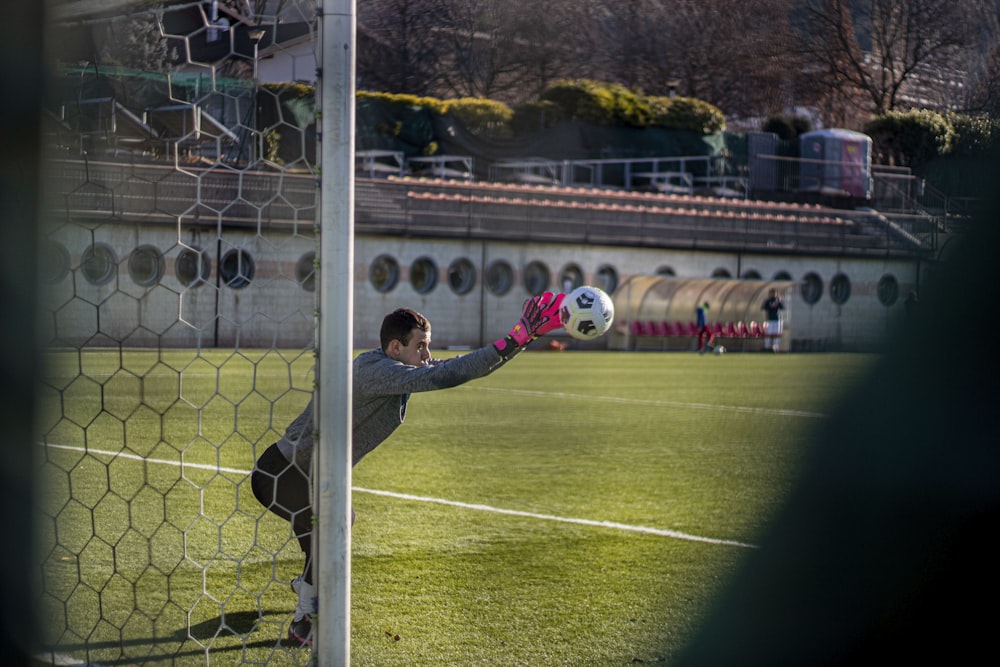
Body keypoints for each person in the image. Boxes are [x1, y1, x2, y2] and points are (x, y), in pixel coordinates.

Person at [250, 292, 565, 646]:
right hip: (282, 473)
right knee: (337, 524)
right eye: (421, 346)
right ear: (396, 347)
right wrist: (515, 335)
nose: (427, 355)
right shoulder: (377, 372)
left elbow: (458, 366)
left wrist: (522, 341)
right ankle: (303, 620)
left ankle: (306, 586)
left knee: (333, 529)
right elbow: (444, 375)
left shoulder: (393, 367)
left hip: (311, 477)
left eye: (428, 346)